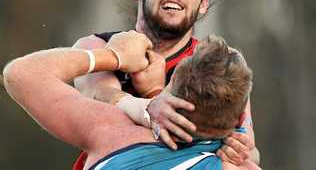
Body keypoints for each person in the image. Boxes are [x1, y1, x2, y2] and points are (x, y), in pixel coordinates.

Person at [71, 0, 259, 169]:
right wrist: (151, 102)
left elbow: (248, 148)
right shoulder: (99, 47)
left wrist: (241, 151)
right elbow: (100, 95)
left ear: (203, 3)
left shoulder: (222, 63)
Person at [3, 31, 260, 170]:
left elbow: (20, 74)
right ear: (239, 119)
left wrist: (113, 56)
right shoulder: (240, 162)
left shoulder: (112, 134)